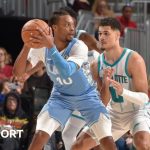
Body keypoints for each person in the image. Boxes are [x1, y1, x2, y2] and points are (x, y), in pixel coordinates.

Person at [13, 10, 117, 150]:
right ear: (54, 28)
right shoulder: (42, 48)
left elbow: (66, 71)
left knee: (106, 141)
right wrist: (27, 45)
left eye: (73, 25)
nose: (72, 28)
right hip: (61, 96)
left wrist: (50, 47)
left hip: (86, 96)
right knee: (40, 135)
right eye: (67, 25)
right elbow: (18, 73)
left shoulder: (78, 45)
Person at [72, 17, 150, 150]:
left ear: (118, 35)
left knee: (142, 143)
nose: (101, 37)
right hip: (113, 113)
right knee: (78, 146)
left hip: (136, 111)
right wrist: (105, 86)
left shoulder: (134, 59)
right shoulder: (96, 65)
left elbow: (144, 98)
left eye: (106, 33)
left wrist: (122, 91)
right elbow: (102, 102)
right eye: (100, 33)